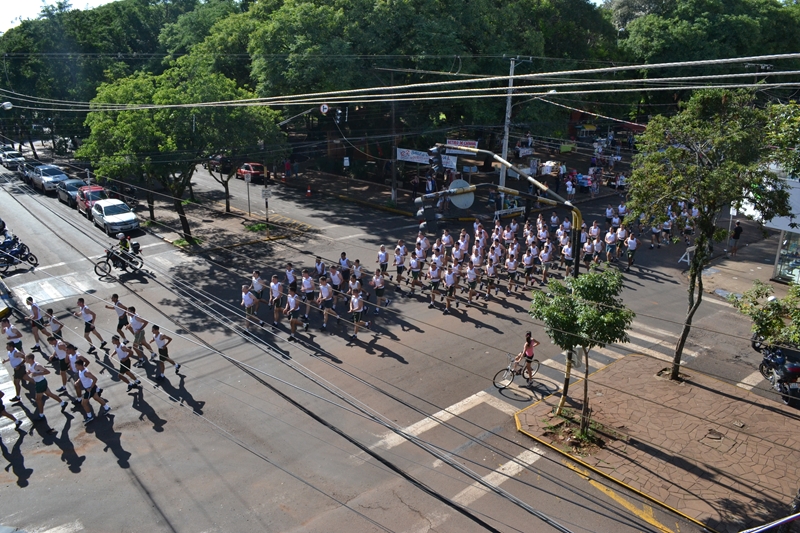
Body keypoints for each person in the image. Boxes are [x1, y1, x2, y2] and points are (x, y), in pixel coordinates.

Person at [25, 353, 68, 419]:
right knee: (49, 394)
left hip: (40, 383)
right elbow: (31, 370)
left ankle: (41, 415)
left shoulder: (37, 366)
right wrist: (29, 372)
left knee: (38, 399)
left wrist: (37, 374)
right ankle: (62, 403)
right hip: (39, 382)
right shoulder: (30, 365)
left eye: (26, 359)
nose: (25, 360)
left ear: (30, 359)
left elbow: (47, 372)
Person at [74, 359, 111, 425]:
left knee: (84, 403)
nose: (75, 367)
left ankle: (90, 416)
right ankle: (107, 407)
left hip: (89, 389)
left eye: (76, 366)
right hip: (89, 388)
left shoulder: (86, 372)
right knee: (96, 398)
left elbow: (95, 379)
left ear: (80, 365)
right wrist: (78, 381)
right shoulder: (80, 371)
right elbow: (81, 377)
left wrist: (90, 388)